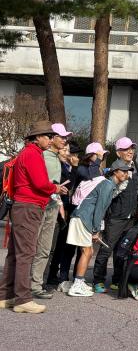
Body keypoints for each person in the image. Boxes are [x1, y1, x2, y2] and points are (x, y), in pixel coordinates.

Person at [0, 121, 69, 314]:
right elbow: (40, 183)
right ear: (37, 138)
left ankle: (6, 295)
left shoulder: (27, 152)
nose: (50, 139)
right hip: (29, 206)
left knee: (15, 253)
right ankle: (23, 299)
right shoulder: (32, 154)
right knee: (26, 254)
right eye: (47, 136)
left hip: (22, 206)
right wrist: (54, 187)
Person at [66, 159, 132, 297]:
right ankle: (77, 284)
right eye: (123, 171)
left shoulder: (108, 185)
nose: (126, 174)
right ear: (115, 172)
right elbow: (99, 209)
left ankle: (79, 281)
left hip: (83, 217)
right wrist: (96, 230)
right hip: (83, 218)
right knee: (87, 252)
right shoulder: (107, 185)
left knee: (87, 251)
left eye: (127, 172)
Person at [92, 137, 138, 293]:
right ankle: (98, 279)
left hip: (131, 217)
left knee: (123, 250)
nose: (130, 151)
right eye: (126, 149)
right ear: (118, 153)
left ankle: (117, 279)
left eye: (132, 148)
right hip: (115, 217)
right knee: (106, 248)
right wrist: (122, 180)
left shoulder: (137, 166)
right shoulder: (114, 169)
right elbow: (111, 194)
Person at [30, 122, 73, 299]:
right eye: (61, 137)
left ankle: (35, 285)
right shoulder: (44, 156)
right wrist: (55, 188)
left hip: (52, 206)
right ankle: (23, 284)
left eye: (65, 137)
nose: (64, 140)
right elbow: (39, 183)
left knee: (45, 248)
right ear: (51, 138)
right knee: (32, 247)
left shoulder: (56, 158)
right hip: (40, 207)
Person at [47, 142, 82, 287]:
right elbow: (69, 186)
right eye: (66, 151)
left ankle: (53, 274)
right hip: (56, 207)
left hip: (66, 208)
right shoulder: (59, 166)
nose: (71, 155)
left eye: (71, 152)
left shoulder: (67, 167)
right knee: (53, 245)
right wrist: (74, 168)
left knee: (61, 244)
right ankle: (49, 275)